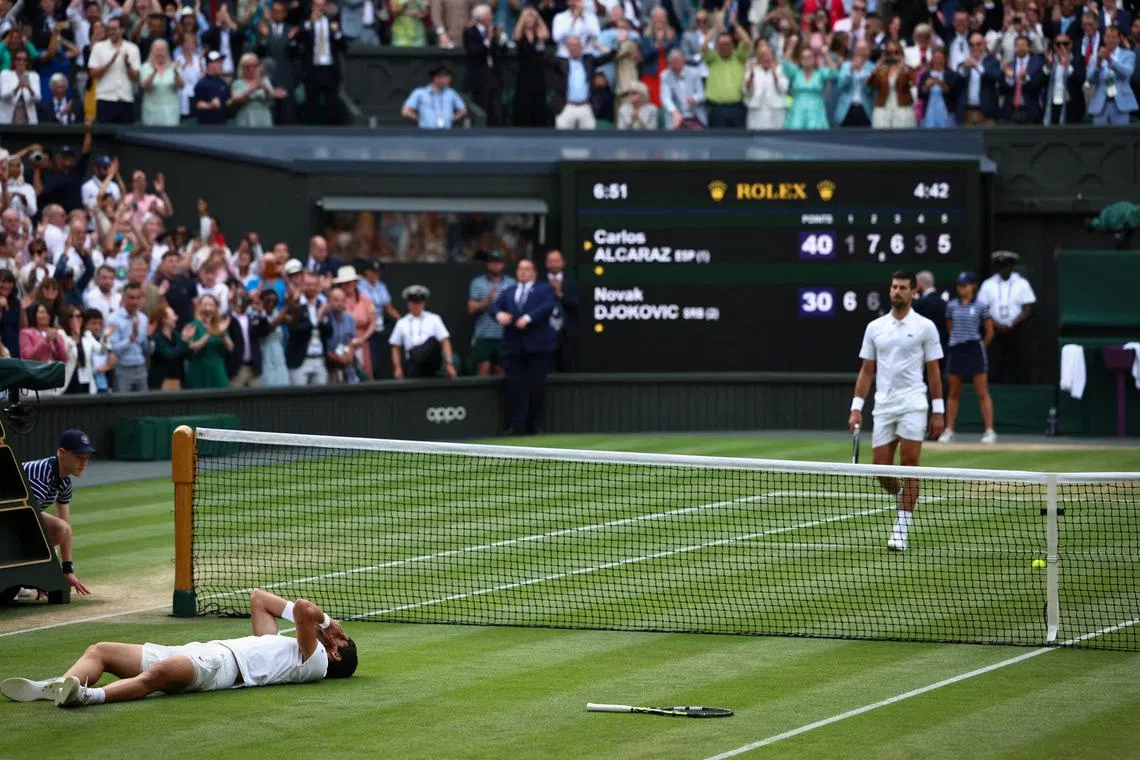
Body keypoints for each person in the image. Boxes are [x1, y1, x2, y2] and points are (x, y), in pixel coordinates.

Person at [1, 588, 356, 706]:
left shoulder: (315, 662)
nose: (334, 634)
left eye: (341, 640)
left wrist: (328, 625)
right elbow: (259, 599)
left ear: (335, 652)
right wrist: (322, 625)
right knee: (100, 651)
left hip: (222, 668)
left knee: (157, 675)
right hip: (201, 649)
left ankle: (88, 697)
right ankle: (61, 687)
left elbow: (305, 609)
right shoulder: (281, 644)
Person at [848, 270, 945, 552]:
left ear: (913, 292)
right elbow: (867, 371)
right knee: (881, 471)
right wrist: (856, 408)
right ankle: (907, 494)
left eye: (902, 288)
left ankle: (901, 528)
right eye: (893, 287)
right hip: (883, 406)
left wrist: (938, 412)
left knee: (910, 463)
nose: (896, 292)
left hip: (914, 403)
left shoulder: (926, 327)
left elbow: (934, 372)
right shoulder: (875, 327)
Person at [20, 429, 95, 596]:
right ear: (62, 453)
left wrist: (67, 570)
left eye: (87, 458)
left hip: (12, 515)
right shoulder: (41, 475)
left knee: (60, 529)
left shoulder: (64, 482)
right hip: (8, 513)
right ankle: (19, 578)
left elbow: (65, 528)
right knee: (48, 530)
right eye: (79, 457)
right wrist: (43, 574)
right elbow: (27, 523)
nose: (83, 463)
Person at [492, 259, 557, 435]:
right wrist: (499, 314)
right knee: (515, 387)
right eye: (520, 269)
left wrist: (528, 318)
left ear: (534, 272)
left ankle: (534, 426)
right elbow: (494, 307)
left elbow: (548, 306)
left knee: (536, 387)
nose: (523, 272)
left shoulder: (544, 289)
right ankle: (516, 426)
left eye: (527, 269)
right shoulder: (509, 291)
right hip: (513, 348)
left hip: (538, 348)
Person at [939, 271, 997, 445]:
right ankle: (949, 430)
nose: (961, 289)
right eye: (959, 285)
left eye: (964, 285)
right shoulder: (951, 306)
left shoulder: (981, 306)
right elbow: (950, 327)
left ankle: (989, 431)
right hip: (957, 350)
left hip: (974, 350)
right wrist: (959, 341)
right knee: (953, 393)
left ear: (973, 286)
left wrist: (979, 347)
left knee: (982, 392)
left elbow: (989, 332)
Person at [977, 250, 1036, 384]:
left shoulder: (1022, 283)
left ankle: (1023, 391)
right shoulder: (988, 284)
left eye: (1007, 266)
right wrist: (996, 324)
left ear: (1012, 267)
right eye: (1001, 266)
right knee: (994, 364)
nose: (1004, 269)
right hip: (994, 330)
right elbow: (982, 309)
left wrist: (1012, 323)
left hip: (1018, 329)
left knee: (1020, 363)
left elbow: (1027, 309)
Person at [389, 284, 458, 379]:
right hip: (413, 363)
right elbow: (395, 346)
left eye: (419, 302)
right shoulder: (402, 323)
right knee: (414, 355)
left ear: (424, 303)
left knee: (433, 341)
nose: (416, 305)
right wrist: (397, 368)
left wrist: (449, 363)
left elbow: (445, 341)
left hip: (431, 361)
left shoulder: (434, 319)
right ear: (408, 303)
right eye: (413, 302)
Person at [107, 283, 152, 393]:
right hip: (122, 368)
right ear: (123, 298)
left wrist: (150, 339)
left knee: (143, 406)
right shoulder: (113, 319)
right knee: (123, 406)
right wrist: (131, 339)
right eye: (131, 298)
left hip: (141, 367)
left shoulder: (143, 318)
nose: (135, 301)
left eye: (138, 298)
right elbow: (112, 348)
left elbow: (146, 349)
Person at [182, 294, 233, 389]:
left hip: (217, 372)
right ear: (199, 307)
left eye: (211, 305)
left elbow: (230, 347)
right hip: (198, 372)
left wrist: (223, 334)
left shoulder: (220, 325)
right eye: (205, 304)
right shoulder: (193, 325)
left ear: (216, 308)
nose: (208, 308)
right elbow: (192, 348)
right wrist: (209, 334)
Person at [401, 65, 467, 128]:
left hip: (446, 132)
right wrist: (421, 120)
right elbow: (406, 111)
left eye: (448, 78)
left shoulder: (451, 93)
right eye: (444, 77)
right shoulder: (420, 93)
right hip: (426, 131)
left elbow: (463, 110)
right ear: (435, 78)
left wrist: (451, 119)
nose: (448, 80)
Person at [544, 249, 578, 372]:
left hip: (566, 334)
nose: (554, 264)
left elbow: (575, 304)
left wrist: (560, 294)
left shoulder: (571, 283)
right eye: (551, 261)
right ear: (546, 264)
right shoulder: (540, 283)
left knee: (567, 367)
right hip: (544, 334)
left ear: (563, 263)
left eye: (557, 261)